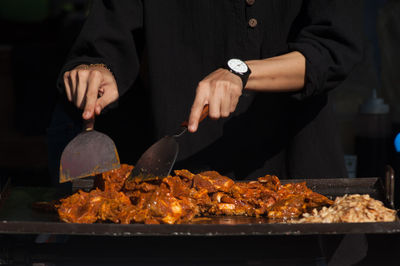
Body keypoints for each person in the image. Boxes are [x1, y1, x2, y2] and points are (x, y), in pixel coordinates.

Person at [57, 0, 362, 180]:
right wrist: (97, 70)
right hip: (169, 181)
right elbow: (105, 39)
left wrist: (240, 73)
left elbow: (333, 49)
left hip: (292, 174)